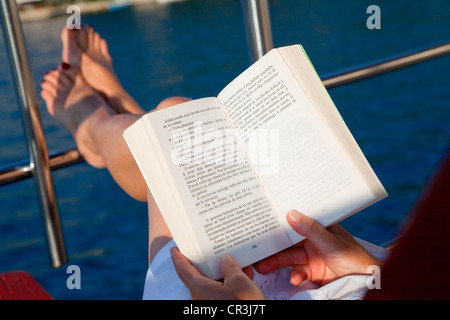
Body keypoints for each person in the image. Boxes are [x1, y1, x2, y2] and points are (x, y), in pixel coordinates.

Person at [41, 26, 389, 300]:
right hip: (335, 277)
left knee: (174, 122)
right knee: (177, 123)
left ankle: (91, 124)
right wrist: (372, 270)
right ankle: (119, 114)